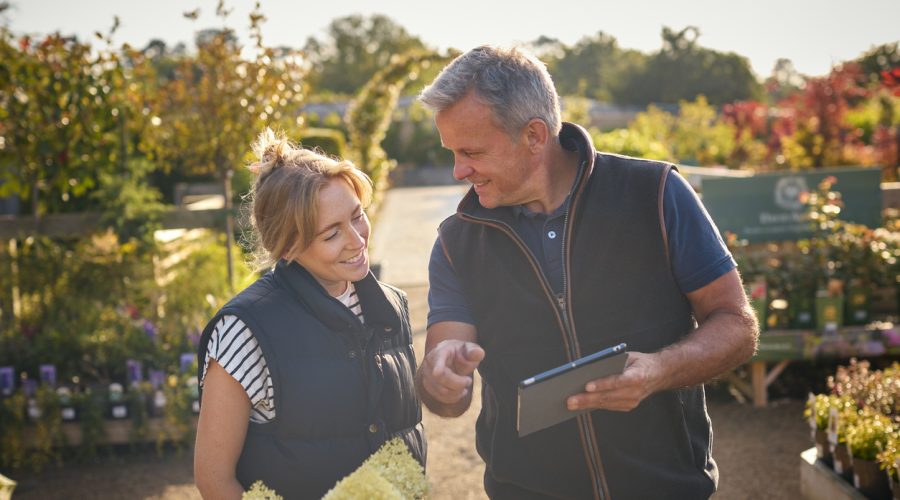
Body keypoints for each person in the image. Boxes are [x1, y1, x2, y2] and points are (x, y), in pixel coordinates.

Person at [416, 45, 759, 500]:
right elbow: (447, 392)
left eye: (471, 151)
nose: (459, 170)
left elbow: (737, 324)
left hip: (665, 489)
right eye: (452, 153)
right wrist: (440, 378)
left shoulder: (654, 194)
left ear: (535, 135)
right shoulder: (457, 243)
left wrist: (658, 369)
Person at [193, 129, 425, 499]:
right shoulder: (245, 331)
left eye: (357, 215)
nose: (357, 239)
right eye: (332, 234)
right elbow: (214, 480)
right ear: (286, 246)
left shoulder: (391, 306)